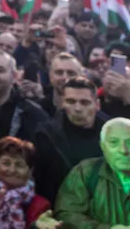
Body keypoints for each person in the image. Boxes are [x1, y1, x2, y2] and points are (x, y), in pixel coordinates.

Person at [33, 76, 108, 204]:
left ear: (97, 105)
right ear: (63, 103)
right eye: (71, 101)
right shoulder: (46, 135)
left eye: (84, 102)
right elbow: (39, 180)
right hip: (59, 208)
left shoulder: (111, 134)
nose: (77, 108)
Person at [53, 118, 130, 229]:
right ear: (102, 146)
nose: (123, 150)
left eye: (129, 142)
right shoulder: (86, 172)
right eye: (114, 142)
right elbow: (66, 214)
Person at [0, 137, 39, 229]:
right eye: (6, 163)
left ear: (31, 170)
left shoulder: (40, 206)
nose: (12, 170)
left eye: (19, 165)